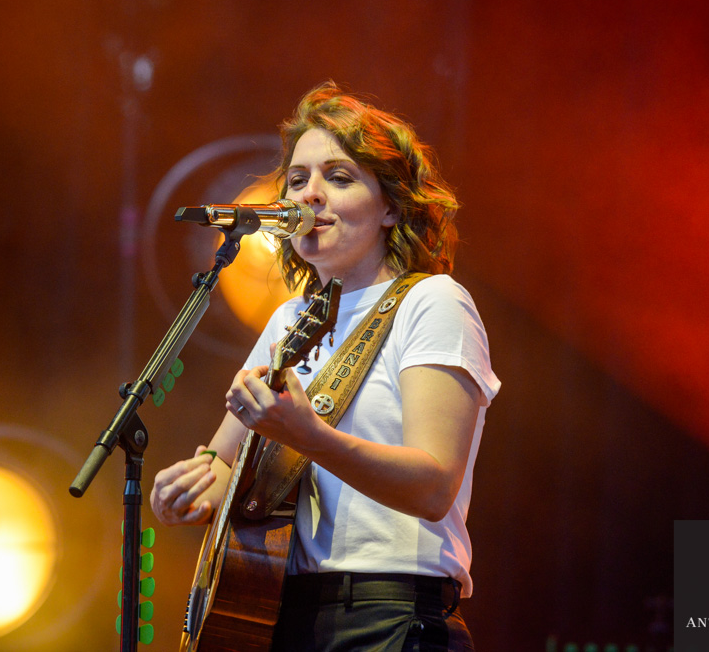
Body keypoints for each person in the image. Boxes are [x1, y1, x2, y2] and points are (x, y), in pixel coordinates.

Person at [150, 82, 500, 651]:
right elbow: (223, 463)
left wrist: (309, 435)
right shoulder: (289, 319)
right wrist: (189, 490)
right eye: (297, 179)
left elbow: (435, 486)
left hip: (391, 618)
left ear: (391, 205)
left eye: (338, 178)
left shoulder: (431, 301)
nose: (308, 194)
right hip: (282, 617)